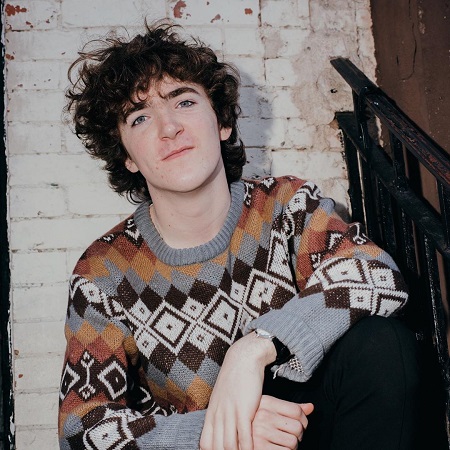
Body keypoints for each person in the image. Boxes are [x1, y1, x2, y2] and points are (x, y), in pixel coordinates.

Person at [58, 20, 419, 450]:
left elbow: (377, 275)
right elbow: (81, 430)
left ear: (222, 123)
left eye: (184, 101)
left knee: (380, 343)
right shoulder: (105, 272)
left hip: (313, 427)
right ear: (127, 157)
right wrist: (221, 428)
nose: (168, 127)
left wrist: (255, 347)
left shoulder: (284, 205)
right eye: (139, 118)